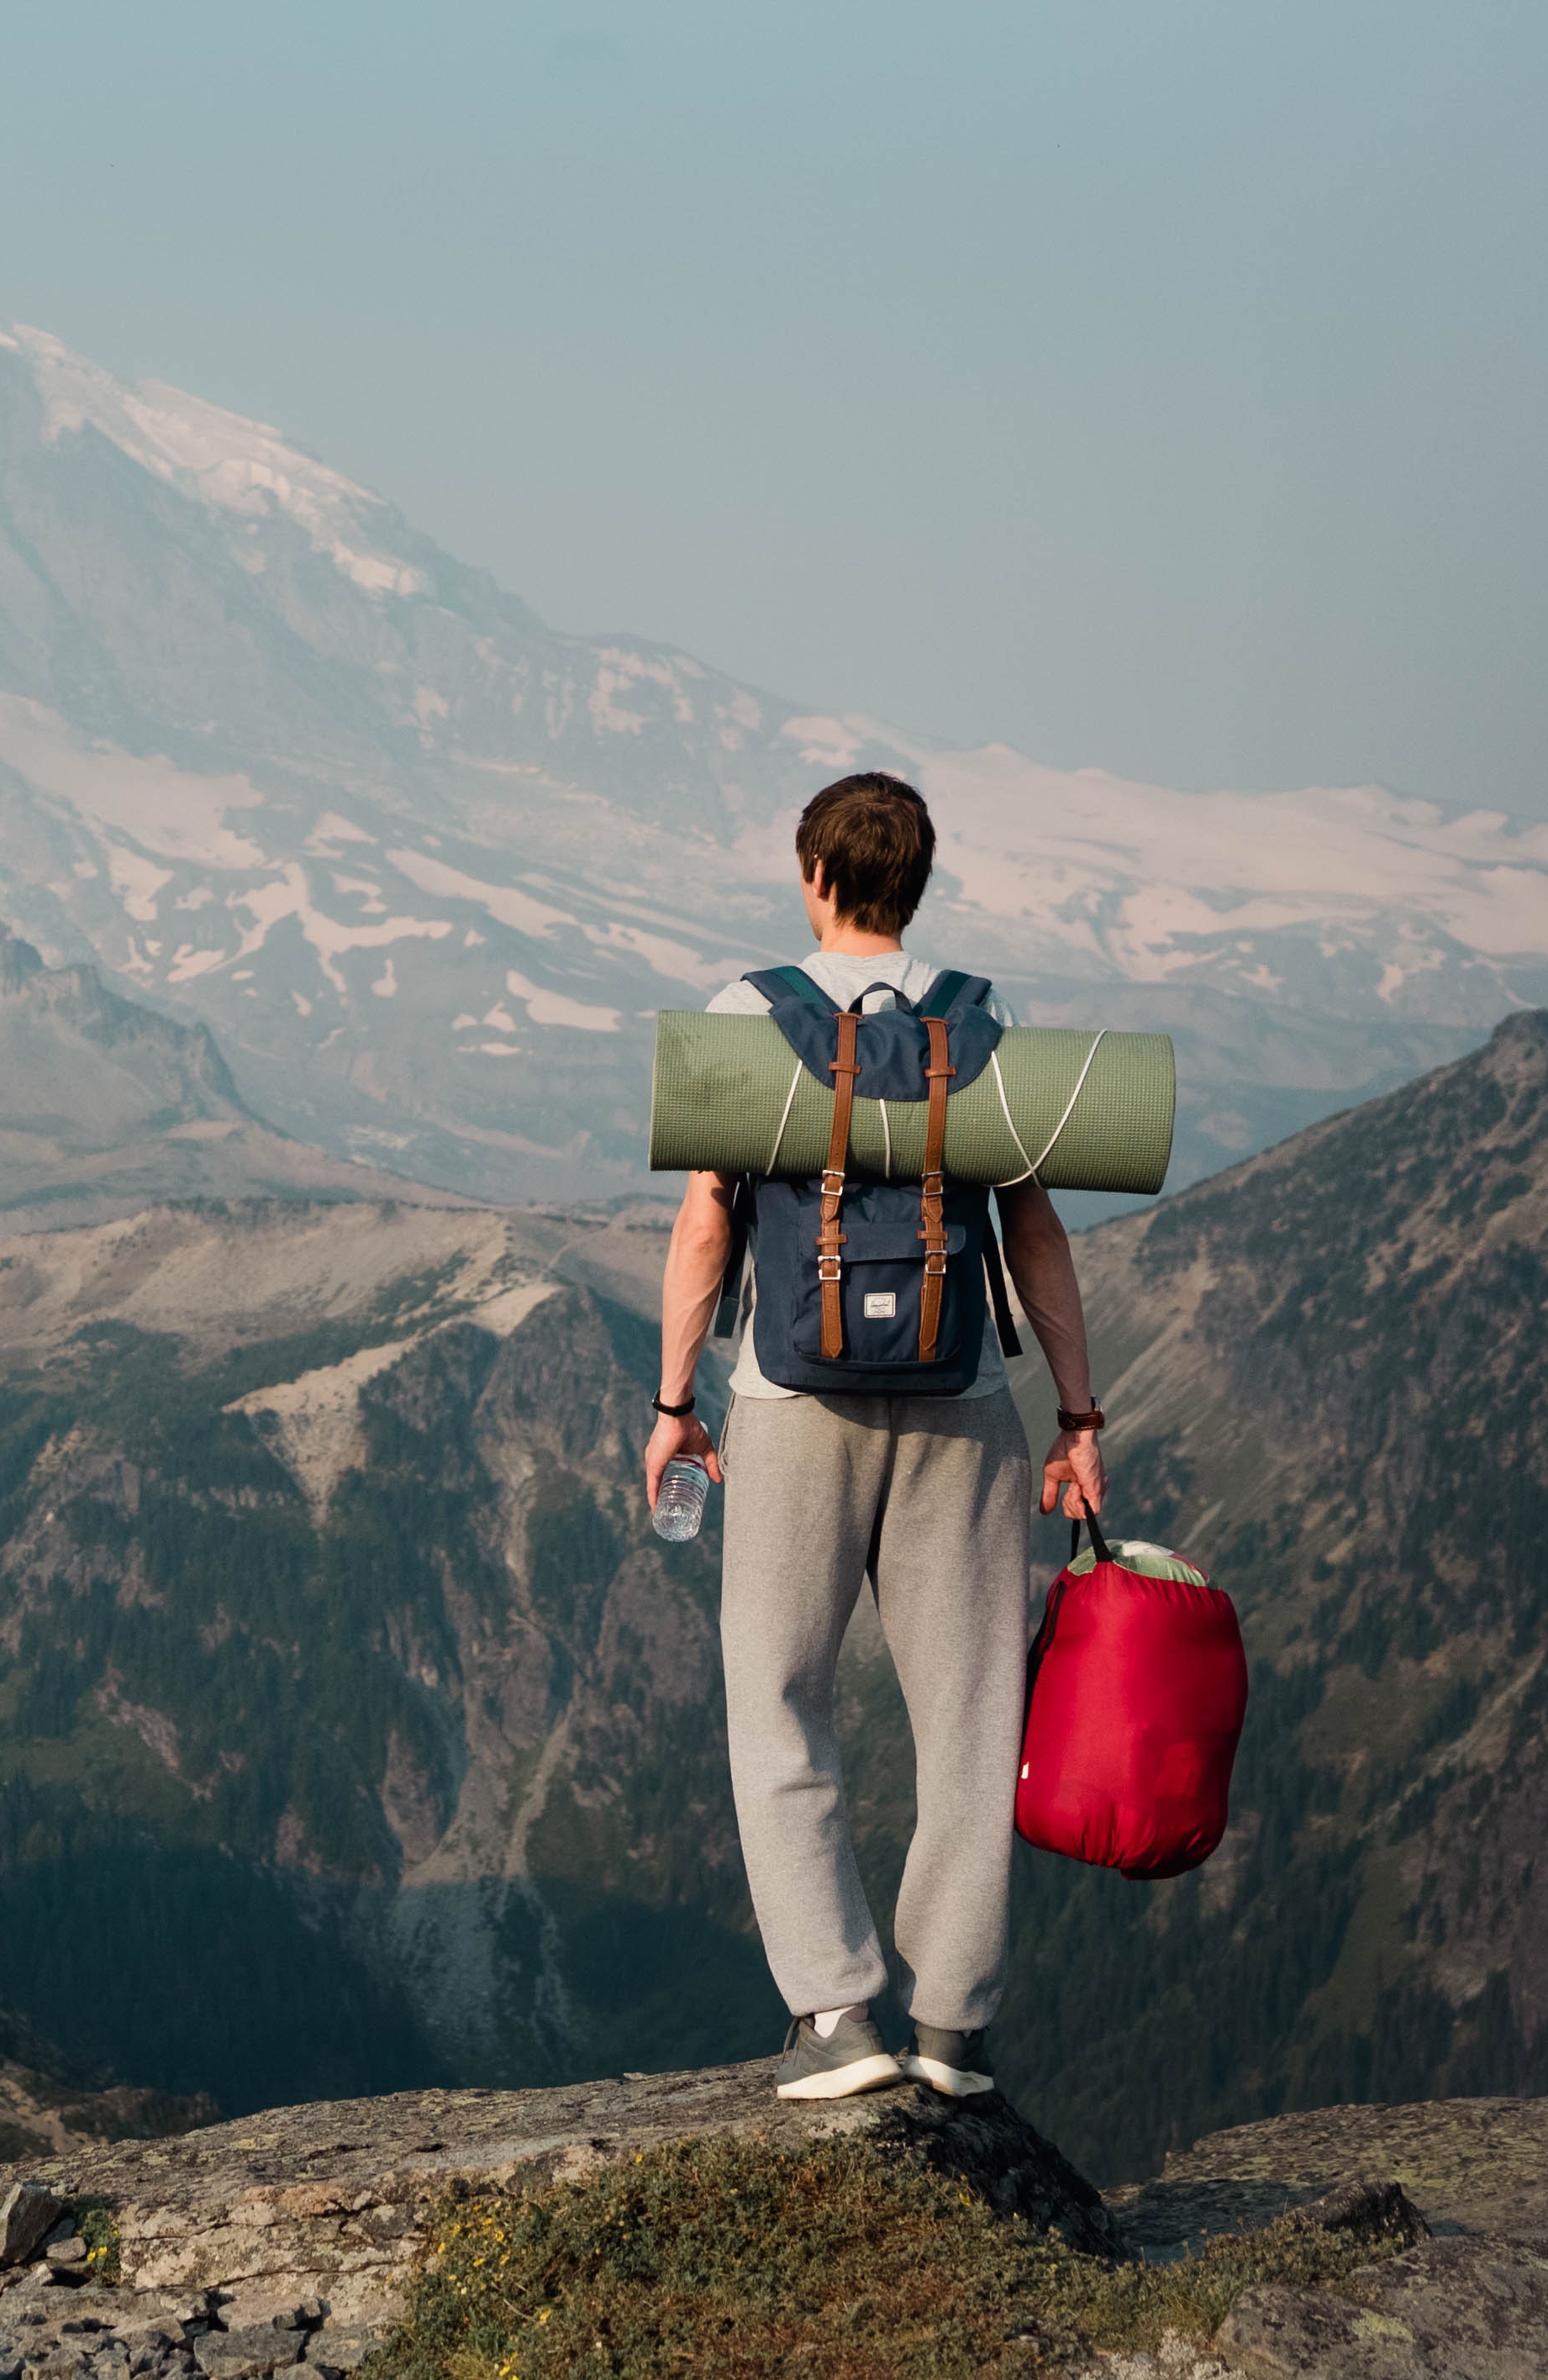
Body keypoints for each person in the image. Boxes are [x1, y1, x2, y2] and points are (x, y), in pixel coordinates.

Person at [640, 771, 1106, 2102]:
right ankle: (953, 2027)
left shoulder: (748, 1015)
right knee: (970, 1710)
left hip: (794, 1407)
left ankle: (839, 2019)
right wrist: (1077, 1416)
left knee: (779, 1698)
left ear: (813, 876)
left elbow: (706, 1224)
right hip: (963, 1409)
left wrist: (677, 1406)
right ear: (918, 882)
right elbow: (1033, 1234)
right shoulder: (978, 1016)